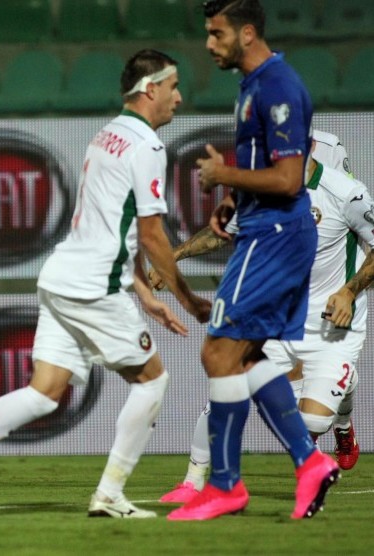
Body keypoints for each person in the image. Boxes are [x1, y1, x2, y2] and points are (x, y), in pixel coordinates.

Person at [0, 49, 211, 520]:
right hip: (92, 287)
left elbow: (107, 225)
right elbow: (150, 234)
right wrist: (189, 299)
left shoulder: (106, 135)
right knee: (153, 379)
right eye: (173, 88)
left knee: (44, 392)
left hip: (61, 275)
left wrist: (146, 294)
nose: (179, 97)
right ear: (152, 88)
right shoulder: (148, 146)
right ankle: (109, 494)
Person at [166, 0, 339, 521]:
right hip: (267, 228)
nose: (208, 43)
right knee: (242, 357)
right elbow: (267, 165)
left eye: (216, 33)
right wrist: (233, 200)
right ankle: (309, 464)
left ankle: (225, 485)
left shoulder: (278, 86)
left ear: (245, 33)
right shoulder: (252, 86)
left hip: (275, 236)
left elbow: (289, 180)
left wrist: (225, 178)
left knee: (218, 354)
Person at [155, 132, 367, 504]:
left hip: (333, 324)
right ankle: (191, 482)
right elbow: (223, 233)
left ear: (310, 147)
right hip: (278, 317)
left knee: (313, 423)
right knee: (224, 387)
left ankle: (342, 421)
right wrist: (174, 256)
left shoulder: (345, 192)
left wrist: (350, 290)